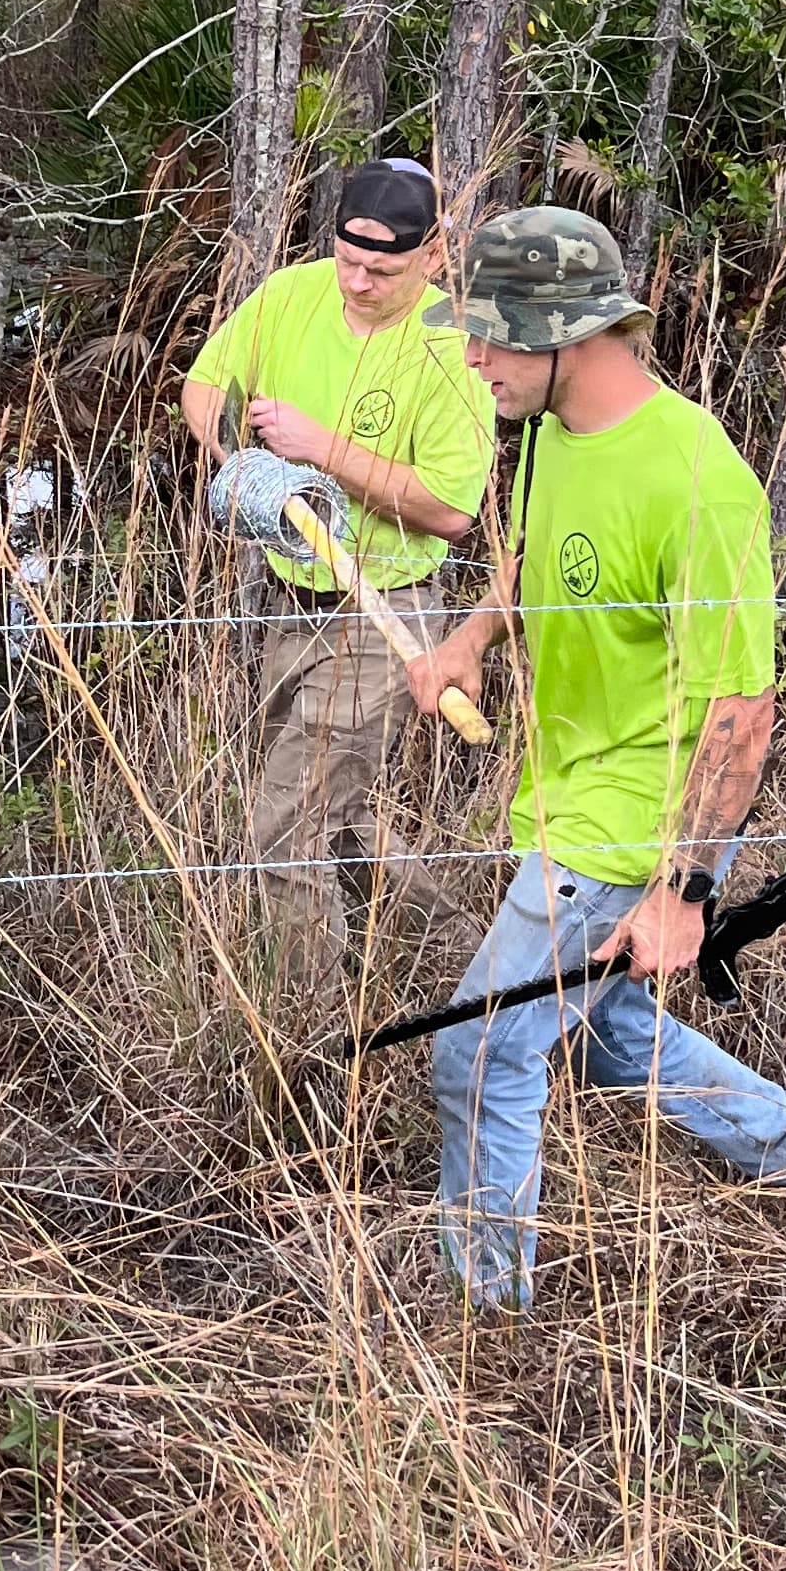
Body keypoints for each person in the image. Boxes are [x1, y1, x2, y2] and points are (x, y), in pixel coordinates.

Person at [400, 205, 786, 1308]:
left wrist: (680, 891)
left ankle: (485, 1323)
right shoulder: (542, 436)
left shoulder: (696, 480)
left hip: (635, 824)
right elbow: (530, 554)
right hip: (566, 798)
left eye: (492, 335)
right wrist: (476, 636)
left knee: (480, 1055)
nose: (472, 356)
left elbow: (744, 711)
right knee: (608, 1036)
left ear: (573, 335)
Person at [181, 156, 499, 999]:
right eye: (346, 260)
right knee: (344, 827)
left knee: (283, 831)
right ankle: (475, 965)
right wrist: (243, 466)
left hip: (383, 614)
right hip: (289, 604)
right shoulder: (292, 294)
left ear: (433, 255)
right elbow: (204, 387)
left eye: (382, 271)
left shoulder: (455, 347)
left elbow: (448, 511)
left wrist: (322, 451)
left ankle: (302, 1040)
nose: (356, 282)